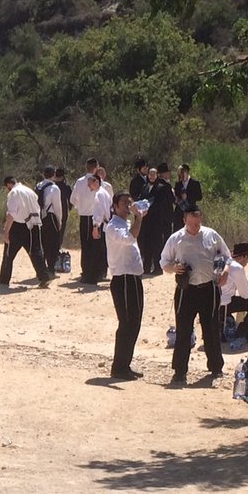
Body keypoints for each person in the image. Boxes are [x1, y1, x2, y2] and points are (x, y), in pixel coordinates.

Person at [160, 203, 232, 385]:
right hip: (187, 290)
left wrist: (225, 271)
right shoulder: (176, 239)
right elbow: (164, 263)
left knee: (211, 329)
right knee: (183, 331)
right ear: (184, 220)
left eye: (197, 223)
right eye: (191, 224)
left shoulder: (211, 235)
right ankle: (179, 371)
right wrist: (174, 268)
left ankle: (216, 367)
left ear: (201, 219)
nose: (195, 227)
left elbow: (227, 256)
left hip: (209, 288)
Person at [103, 192, 146, 380]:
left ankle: (125, 364)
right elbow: (130, 239)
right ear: (114, 205)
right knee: (127, 322)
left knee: (134, 322)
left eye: (130, 202)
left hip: (133, 278)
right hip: (124, 279)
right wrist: (138, 217)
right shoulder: (113, 226)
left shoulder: (126, 224)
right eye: (124, 203)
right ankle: (119, 367)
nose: (128, 205)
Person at [0, 175, 54, 287]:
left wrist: (6, 231)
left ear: (8, 184)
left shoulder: (14, 193)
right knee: (36, 252)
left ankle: (4, 278)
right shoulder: (30, 191)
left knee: (8, 253)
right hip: (34, 224)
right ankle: (44, 277)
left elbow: (11, 214)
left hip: (19, 226)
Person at [219, 243, 248, 343]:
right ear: (243, 257)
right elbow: (246, 295)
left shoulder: (221, 260)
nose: (247, 262)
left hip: (211, 302)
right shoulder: (237, 268)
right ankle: (244, 332)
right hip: (224, 304)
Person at [70, 157, 106, 283]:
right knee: (97, 245)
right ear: (96, 167)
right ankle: (97, 272)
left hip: (84, 216)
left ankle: (86, 272)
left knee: (85, 245)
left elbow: (72, 199)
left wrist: (80, 206)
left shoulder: (80, 182)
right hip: (96, 217)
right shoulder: (100, 182)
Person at [140, 164, 178, 274]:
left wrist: (149, 208)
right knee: (146, 243)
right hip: (146, 219)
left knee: (156, 244)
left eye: (153, 174)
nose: (151, 176)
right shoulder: (145, 187)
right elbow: (141, 198)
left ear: (157, 175)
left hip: (157, 220)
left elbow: (160, 203)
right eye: (150, 174)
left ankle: (157, 267)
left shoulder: (161, 187)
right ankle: (146, 267)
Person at [36, 165, 64, 273]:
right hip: (50, 216)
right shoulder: (54, 188)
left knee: (41, 242)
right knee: (53, 242)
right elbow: (57, 207)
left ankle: (42, 266)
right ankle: (51, 267)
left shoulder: (38, 186)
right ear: (53, 175)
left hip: (39, 216)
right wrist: (59, 220)